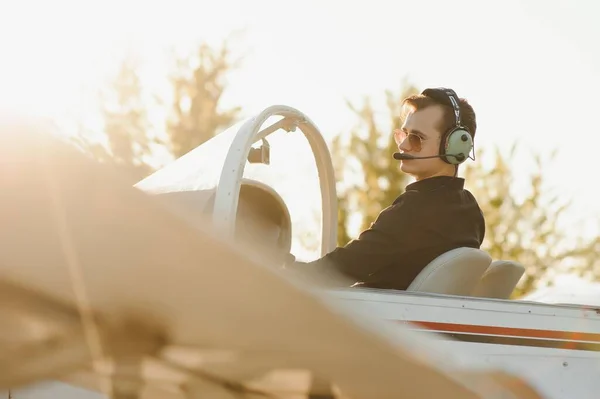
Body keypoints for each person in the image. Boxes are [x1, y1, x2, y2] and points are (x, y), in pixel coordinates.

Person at [284, 87, 486, 290]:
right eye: (404, 134)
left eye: (416, 138)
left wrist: (279, 272)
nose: (404, 145)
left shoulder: (415, 209)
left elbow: (344, 267)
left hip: (370, 317)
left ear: (454, 147)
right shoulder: (470, 212)